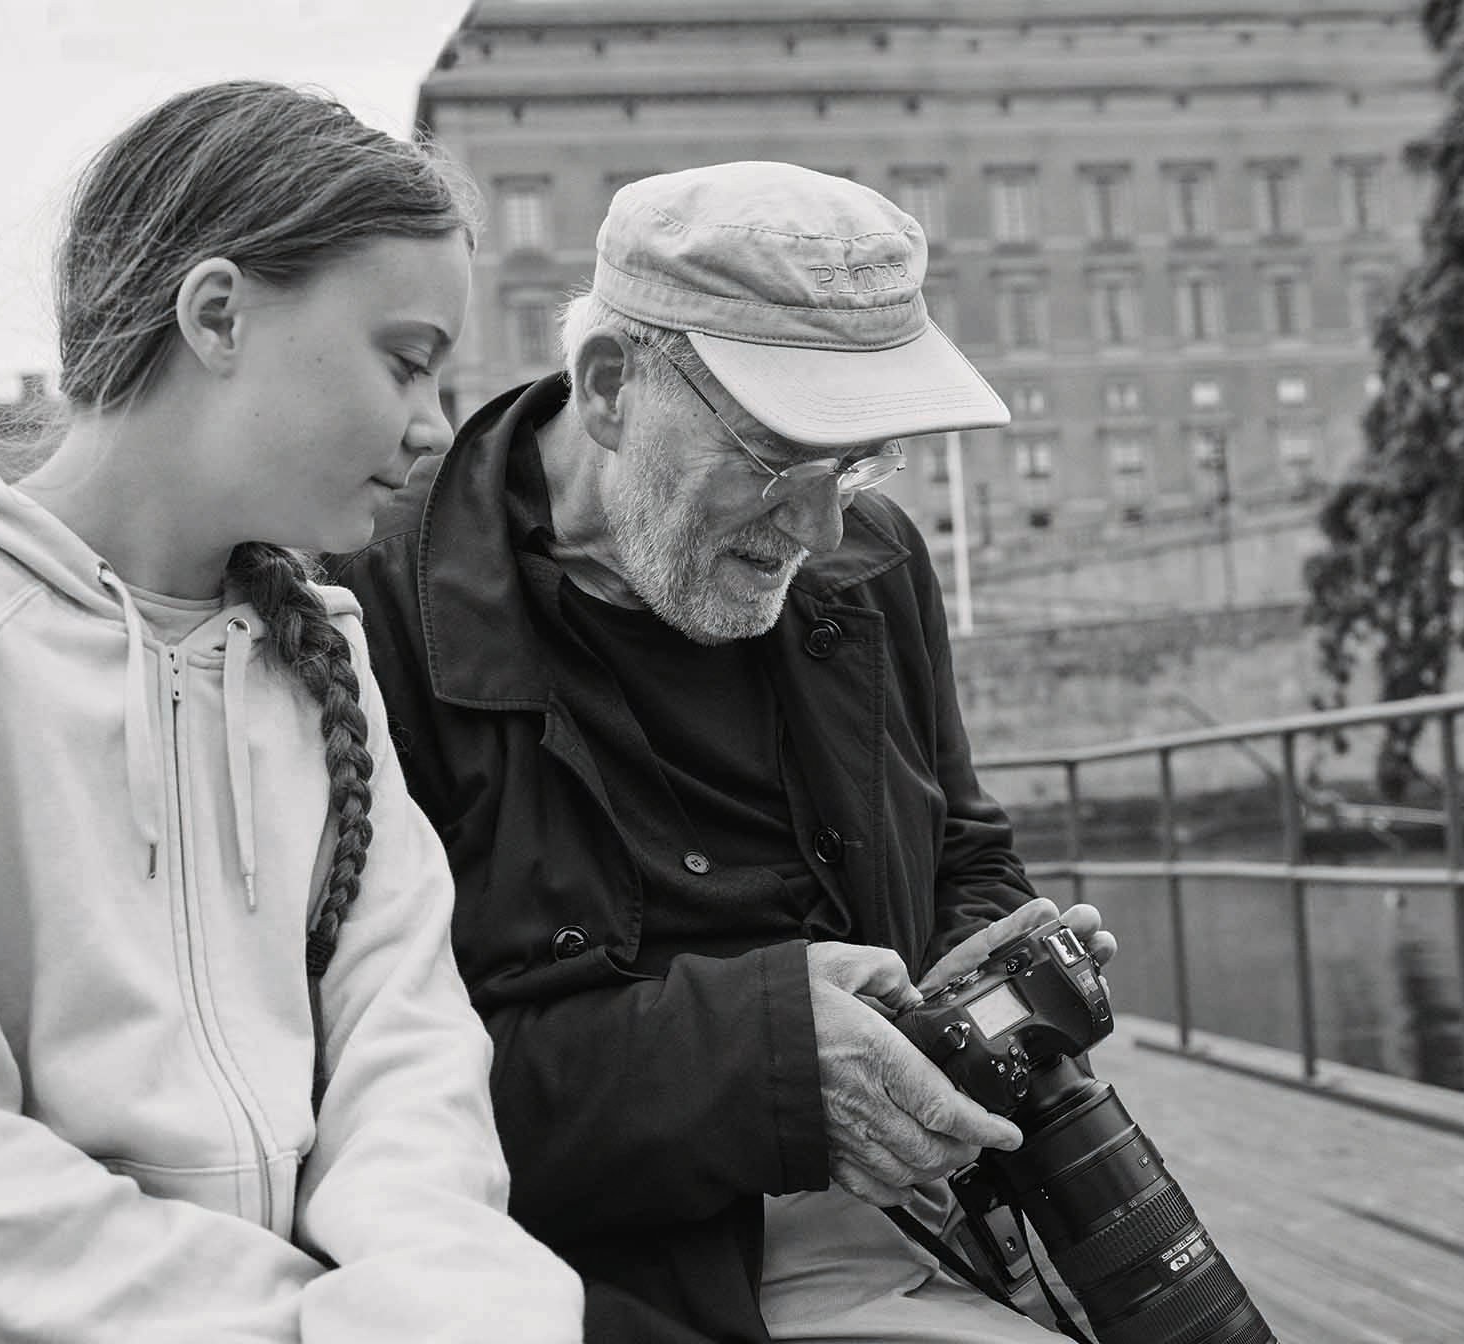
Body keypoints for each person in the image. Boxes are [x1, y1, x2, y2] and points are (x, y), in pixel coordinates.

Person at [0, 81, 585, 1343]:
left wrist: (445, 1309)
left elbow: (408, 1066)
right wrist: (306, 1329)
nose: (432, 425)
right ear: (217, 314)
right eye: (406, 360)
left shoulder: (324, 659)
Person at [335, 161, 1118, 1342]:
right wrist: (766, 1060)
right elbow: (360, 1087)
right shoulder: (369, 606)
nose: (820, 528)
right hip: (579, 1265)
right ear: (609, 387)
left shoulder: (873, 560)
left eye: (859, 462)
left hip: (937, 1221)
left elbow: (963, 853)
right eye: (775, 458)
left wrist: (979, 981)